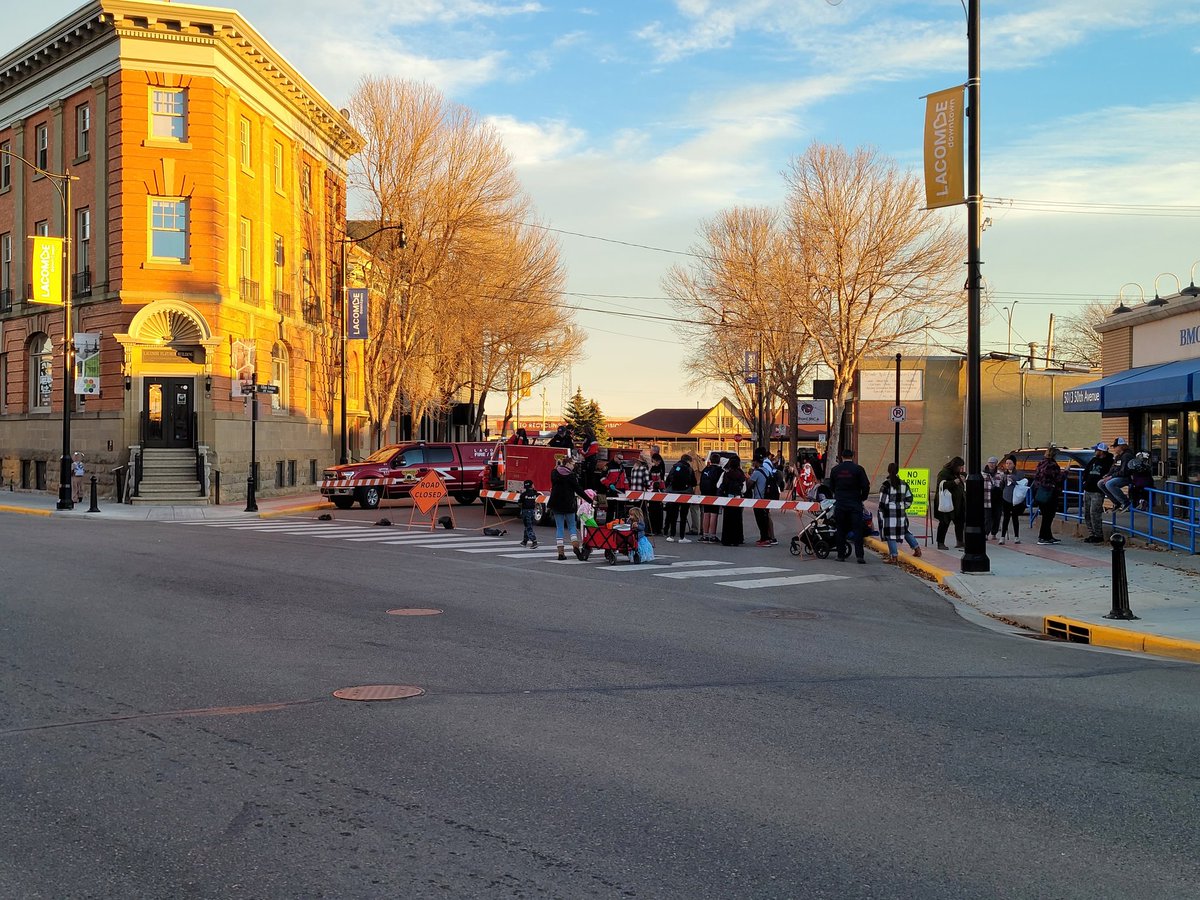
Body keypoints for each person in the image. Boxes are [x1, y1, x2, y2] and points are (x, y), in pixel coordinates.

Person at [829, 448, 870, 563]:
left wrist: (837, 495)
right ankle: (859, 556)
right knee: (858, 530)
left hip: (841, 503)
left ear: (842, 457)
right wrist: (863, 497)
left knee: (840, 529)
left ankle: (840, 555)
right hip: (855, 503)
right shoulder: (858, 469)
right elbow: (866, 485)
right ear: (852, 457)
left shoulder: (835, 470)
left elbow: (831, 486)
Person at [548, 458, 592, 560]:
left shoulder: (554, 473)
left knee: (559, 528)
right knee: (572, 526)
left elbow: (553, 480)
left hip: (556, 504)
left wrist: (556, 467)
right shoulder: (571, 475)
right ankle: (575, 547)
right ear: (567, 464)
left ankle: (560, 553)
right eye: (573, 464)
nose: (574, 466)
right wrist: (589, 500)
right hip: (568, 504)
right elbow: (578, 490)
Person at [878, 462, 922, 562]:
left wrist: (882, 512)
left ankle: (894, 556)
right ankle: (917, 549)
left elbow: (882, 502)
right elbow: (909, 498)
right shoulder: (904, 484)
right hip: (901, 512)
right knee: (905, 530)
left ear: (888, 470)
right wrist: (903, 507)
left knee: (890, 534)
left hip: (889, 513)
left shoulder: (885, 485)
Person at [1081, 442, 1113, 543]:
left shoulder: (1109, 462)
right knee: (1087, 512)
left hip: (1097, 491)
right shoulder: (1094, 460)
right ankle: (1092, 533)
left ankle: (1098, 535)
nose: (1095, 451)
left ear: (1101, 451)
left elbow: (1110, 473)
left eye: (1097, 450)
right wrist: (1085, 480)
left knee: (1094, 512)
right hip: (1088, 489)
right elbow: (1086, 471)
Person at [1032, 446, 1064, 545]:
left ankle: (1048, 536)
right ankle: (1043, 537)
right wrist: (1066, 471)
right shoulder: (1052, 465)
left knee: (1046, 515)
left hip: (1040, 491)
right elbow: (1058, 478)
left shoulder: (1041, 463)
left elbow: (1037, 477)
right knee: (1048, 516)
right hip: (1050, 492)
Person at [664, 453, 696, 543]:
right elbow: (694, 482)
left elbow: (669, 479)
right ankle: (682, 537)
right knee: (683, 515)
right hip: (686, 493)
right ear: (688, 461)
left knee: (673, 515)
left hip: (674, 493)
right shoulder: (689, 468)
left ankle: (672, 535)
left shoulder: (675, 467)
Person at [934, 457, 966, 550]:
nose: (961, 469)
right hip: (947, 503)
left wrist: (962, 477)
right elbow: (941, 485)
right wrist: (953, 482)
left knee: (960, 522)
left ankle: (960, 541)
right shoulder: (944, 473)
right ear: (955, 465)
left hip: (958, 504)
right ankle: (940, 542)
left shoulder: (956, 473)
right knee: (944, 522)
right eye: (960, 467)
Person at [753, 447, 779, 544]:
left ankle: (770, 537)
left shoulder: (764, 465)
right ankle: (770, 537)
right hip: (768, 494)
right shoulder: (768, 463)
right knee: (767, 515)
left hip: (764, 495)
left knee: (766, 516)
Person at [698, 453, 725, 543]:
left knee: (706, 513)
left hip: (705, 493)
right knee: (714, 514)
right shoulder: (720, 471)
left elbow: (701, 482)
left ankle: (705, 535)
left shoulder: (706, 469)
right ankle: (712, 536)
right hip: (715, 494)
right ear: (719, 461)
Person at [1099, 438, 1132, 511]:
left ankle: (1126, 502)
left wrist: (1111, 476)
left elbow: (1124, 472)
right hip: (1118, 476)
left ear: (1121, 446)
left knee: (1109, 484)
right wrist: (1108, 475)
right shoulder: (1118, 457)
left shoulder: (1127, 456)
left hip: (1127, 477)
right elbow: (1113, 468)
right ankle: (1117, 502)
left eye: (1115, 446)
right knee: (1101, 483)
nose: (1114, 448)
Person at [997, 456, 1024, 545]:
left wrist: (1013, 480)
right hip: (1006, 497)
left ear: (1014, 464)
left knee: (1015, 517)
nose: (1008, 465)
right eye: (1007, 463)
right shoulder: (1004, 474)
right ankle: (1002, 537)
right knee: (1006, 517)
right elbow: (1001, 487)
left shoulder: (1019, 474)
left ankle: (1016, 536)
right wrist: (1003, 480)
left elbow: (1022, 483)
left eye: (1010, 463)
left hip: (1015, 498)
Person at [719, 457, 745, 546]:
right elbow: (744, 489)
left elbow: (719, 485)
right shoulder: (741, 475)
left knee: (727, 520)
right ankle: (737, 539)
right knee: (737, 520)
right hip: (738, 498)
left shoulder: (726, 474)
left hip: (728, 499)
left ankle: (727, 539)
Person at [748, 457, 772, 546]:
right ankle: (766, 537)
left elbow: (749, 484)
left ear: (756, 462)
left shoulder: (757, 472)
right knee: (764, 518)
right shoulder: (766, 471)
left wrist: (748, 477)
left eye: (753, 462)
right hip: (765, 497)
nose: (753, 464)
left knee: (760, 519)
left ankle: (764, 539)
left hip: (758, 498)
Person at [600, 458, 628, 522]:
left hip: (621, 490)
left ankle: (619, 524)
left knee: (621, 508)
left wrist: (627, 489)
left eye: (622, 459)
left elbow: (625, 479)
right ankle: (609, 523)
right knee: (611, 508)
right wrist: (609, 484)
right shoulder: (608, 466)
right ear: (615, 458)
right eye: (620, 459)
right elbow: (602, 478)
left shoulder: (622, 467)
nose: (621, 460)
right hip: (612, 490)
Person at [983, 456, 1003, 539]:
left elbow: (1003, 485)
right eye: (990, 462)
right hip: (987, 499)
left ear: (996, 464)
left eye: (993, 463)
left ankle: (994, 533)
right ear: (987, 463)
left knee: (997, 517)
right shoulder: (983, 474)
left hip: (997, 499)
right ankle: (986, 534)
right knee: (987, 518)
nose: (992, 464)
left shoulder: (1000, 474)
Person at [647, 451, 667, 535]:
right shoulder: (654, 468)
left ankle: (657, 528)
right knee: (654, 510)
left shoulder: (659, 468)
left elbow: (660, 479)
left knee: (657, 510)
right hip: (653, 490)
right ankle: (655, 528)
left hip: (657, 490)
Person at [517, 479, 539, 549]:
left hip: (525, 511)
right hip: (532, 511)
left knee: (528, 527)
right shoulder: (535, 493)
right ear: (532, 486)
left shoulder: (523, 495)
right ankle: (524, 541)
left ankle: (534, 541)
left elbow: (520, 503)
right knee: (528, 526)